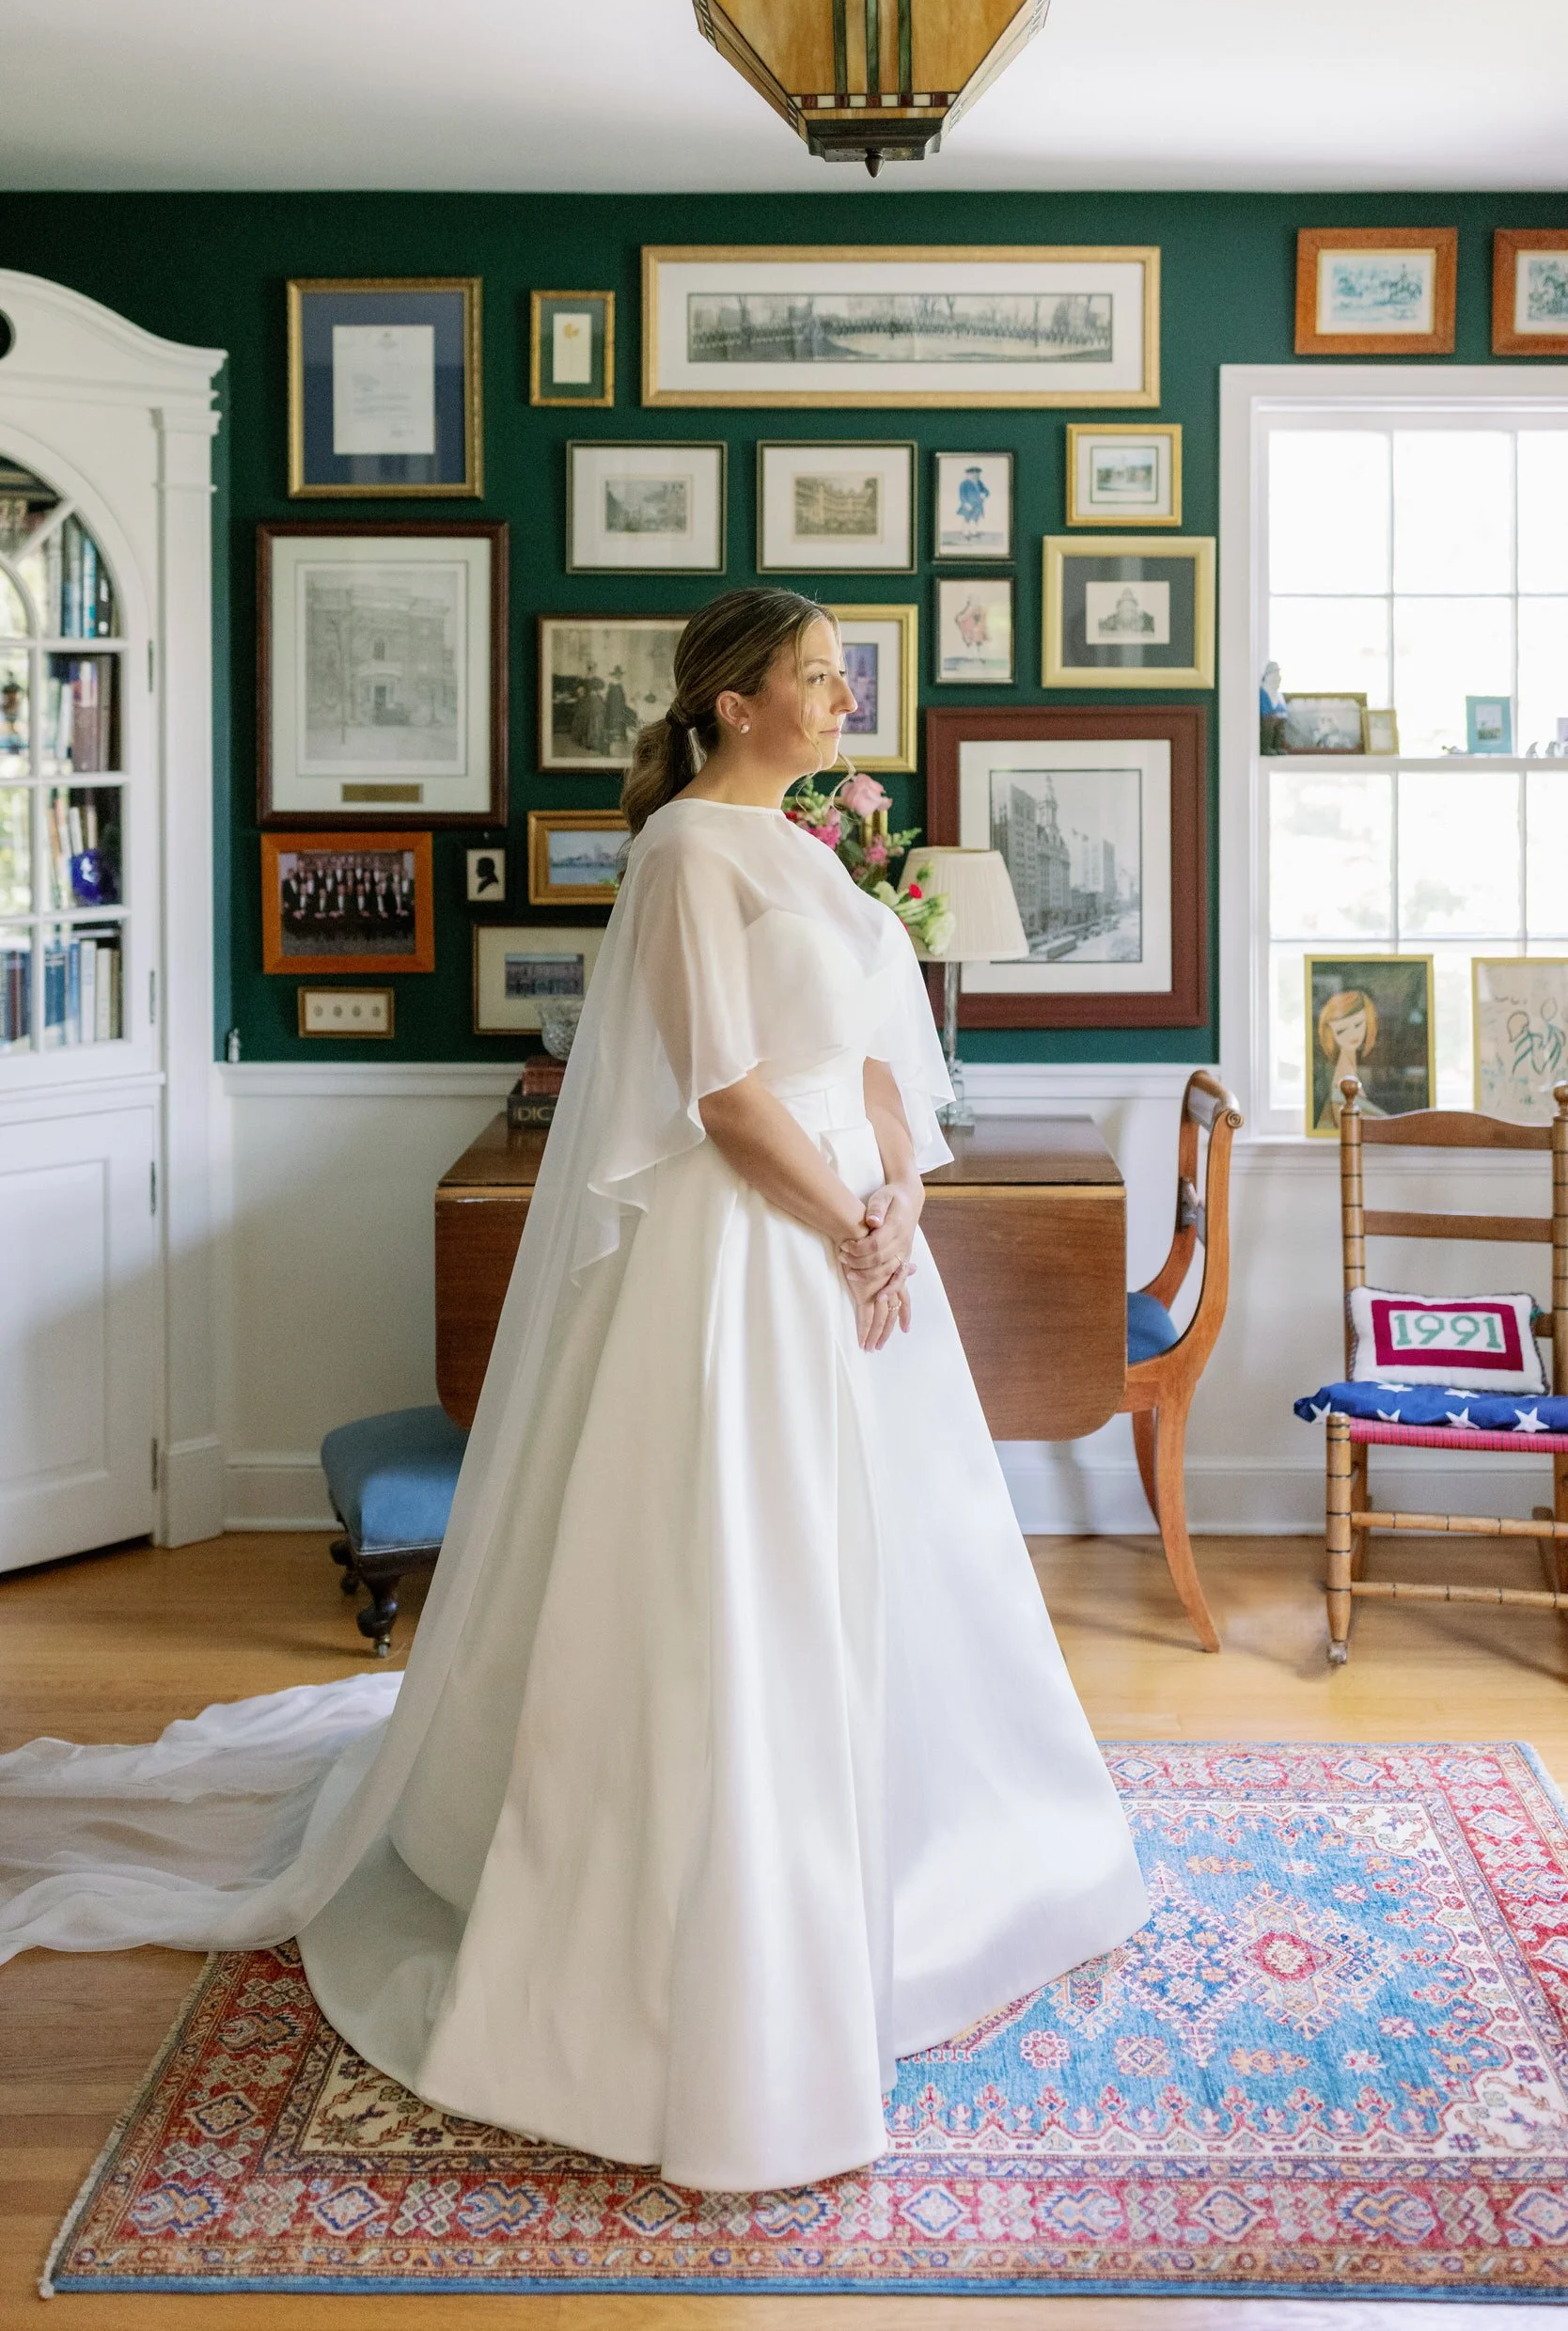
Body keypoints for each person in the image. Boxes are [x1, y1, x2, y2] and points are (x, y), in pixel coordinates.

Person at [0, 586, 1148, 2196]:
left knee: (880, 1551)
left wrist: (901, 1205)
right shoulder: (685, 849)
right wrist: (843, 1229)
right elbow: (724, 1094)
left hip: (853, 1243)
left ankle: (893, 1854)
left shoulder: (813, 852)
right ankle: (710, 1904)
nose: (837, 699)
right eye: (810, 677)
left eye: (837, 677)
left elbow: (879, 1065)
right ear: (732, 701)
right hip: (748, 1258)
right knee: (729, 1565)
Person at [1315, 988, 1388, 1131]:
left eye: (1358, 1025)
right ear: (1332, 1033)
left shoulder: (1352, 1068)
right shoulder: (1341, 1077)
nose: (1352, 1034)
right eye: (1341, 1030)